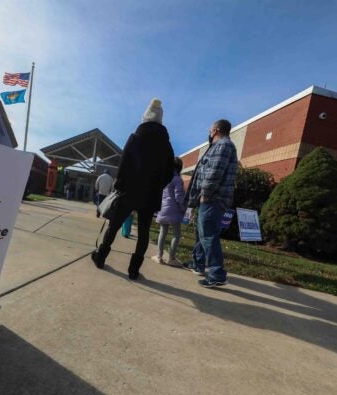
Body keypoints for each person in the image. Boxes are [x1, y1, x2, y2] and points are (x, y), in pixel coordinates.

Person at [91, 98, 173, 279]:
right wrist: (158, 185)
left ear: (145, 117)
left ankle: (101, 257)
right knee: (143, 232)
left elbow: (124, 165)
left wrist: (119, 186)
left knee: (114, 226)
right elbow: (169, 172)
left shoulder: (135, 138)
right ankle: (134, 270)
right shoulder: (166, 145)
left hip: (129, 191)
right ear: (160, 120)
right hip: (151, 195)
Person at [182, 119, 238, 288]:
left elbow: (215, 172)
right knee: (202, 233)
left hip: (213, 198)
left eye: (210, 129)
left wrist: (205, 194)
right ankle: (198, 263)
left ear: (216, 130)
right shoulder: (219, 146)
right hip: (209, 198)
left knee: (208, 234)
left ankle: (217, 274)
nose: (209, 131)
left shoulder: (223, 145)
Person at [151, 157, 186, 267]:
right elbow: (179, 196)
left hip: (163, 208)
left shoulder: (164, 178)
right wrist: (183, 207)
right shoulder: (177, 179)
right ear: (179, 167)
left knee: (163, 232)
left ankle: (159, 256)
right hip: (174, 210)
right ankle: (171, 258)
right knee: (176, 234)